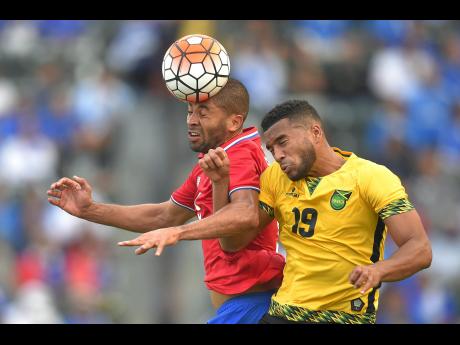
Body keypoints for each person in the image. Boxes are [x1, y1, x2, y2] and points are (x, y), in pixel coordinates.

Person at [122, 99, 432, 324]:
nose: (278, 155)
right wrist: (219, 185)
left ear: (315, 132)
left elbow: (419, 249)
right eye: (271, 148)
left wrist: (379, 271)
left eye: (283, 142)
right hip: (283, 313)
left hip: (341, 317)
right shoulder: (276, 179)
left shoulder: (371, 177)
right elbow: (232, 242)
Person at [47, 78, 285, 324]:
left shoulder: (240, 155)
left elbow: (245, 213)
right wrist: (91, 209)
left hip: (252, 307)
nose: (191, 120)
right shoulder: (211, 161)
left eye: (204, 114)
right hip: (239, 308)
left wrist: (178, 232)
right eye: (190, 111)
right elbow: (163, 216)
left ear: (234, 121)